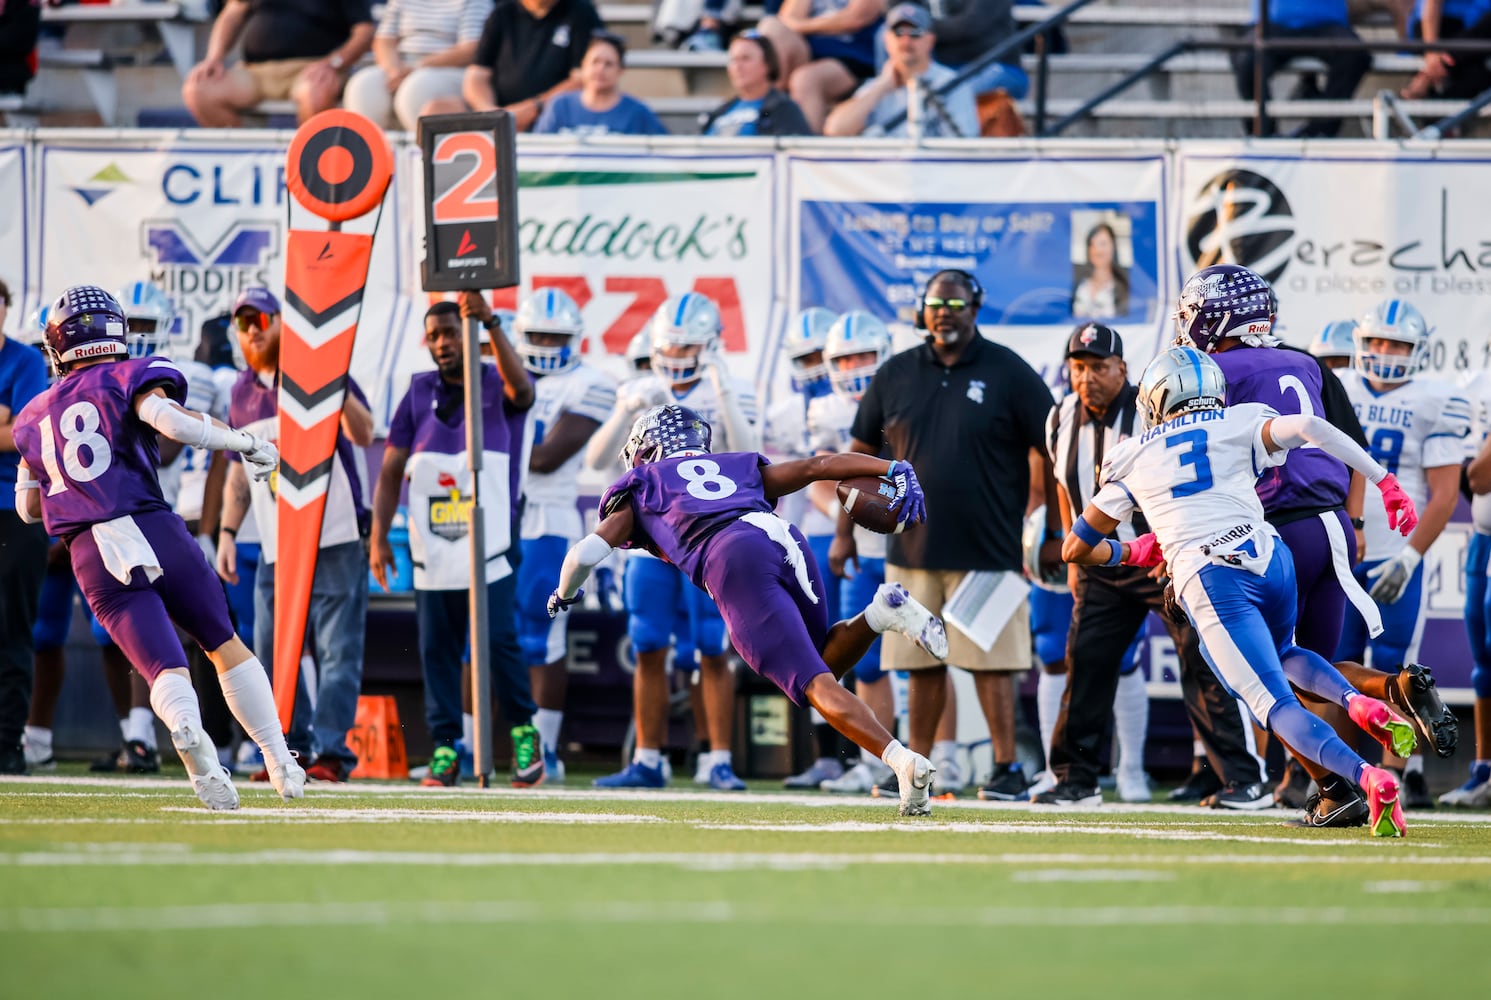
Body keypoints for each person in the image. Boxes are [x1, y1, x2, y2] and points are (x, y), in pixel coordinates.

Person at [1065, 345, 1423, 838]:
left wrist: (1134, 553)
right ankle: (1357, 702)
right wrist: (1384, 482)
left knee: (1274, 705)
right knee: (1287, 652)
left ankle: (1367, 777)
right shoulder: (1239, 419)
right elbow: (1310, 428)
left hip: (1212, 576)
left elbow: (1076, 547)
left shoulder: (1134, 453)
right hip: (1271, 557)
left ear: (1156, 398)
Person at [549, 403, 951, 815]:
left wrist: (563, 594)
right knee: (822, 663)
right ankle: (883, 612)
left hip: (732, 558)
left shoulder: (642, 485)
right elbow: (819, 466)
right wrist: (891, 468)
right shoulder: (734, 464)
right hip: (785, 539)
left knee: (813, 683)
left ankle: (903, 763)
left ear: (646, 449)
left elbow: (583, 555)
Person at [11, 285, 304, 807]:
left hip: (89, 551)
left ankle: (193, 746)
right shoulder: (128, 375)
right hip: (151, 523)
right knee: (221, 640)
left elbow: (28, 509)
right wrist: (249, 443)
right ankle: (280, 760)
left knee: (163, 668)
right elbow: (171, 423)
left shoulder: (33, 414)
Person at [843, 269, 1055, 802]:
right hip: (911, 548)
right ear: (923, 310)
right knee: (919, 663)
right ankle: (914, 765)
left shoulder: (1008, 371)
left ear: (976, 308)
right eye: (936, 302)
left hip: (988, 547)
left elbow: (1053, 448)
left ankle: (1006, 767)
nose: (945, 311)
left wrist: (1046, 519)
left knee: (994, 663)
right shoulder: (895, 373)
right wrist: (846, 533)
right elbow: (859, 453)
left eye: (956, 302)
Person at [1037, 324, 1269, 808]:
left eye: (1099, 367)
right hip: (1104, 563)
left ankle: (1242, 779)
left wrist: (1173, 551)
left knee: (1206, 664)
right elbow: (1064, 484)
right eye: (1079, 368)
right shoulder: (1059, 417)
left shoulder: (1151, 411)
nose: (1088, 378)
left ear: (1123, 369)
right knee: (1088, 667)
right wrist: (1075, 551)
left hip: (1164, 559)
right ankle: (1075, 781)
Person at [584, 293, 759, 790]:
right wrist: (624, 412)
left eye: (689, 348)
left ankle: (717, 759)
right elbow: (598, 462)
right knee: (647, 644)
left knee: (713, 646)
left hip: (709, 536)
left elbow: (749, 454)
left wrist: (723, 396)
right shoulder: (643, 388)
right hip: (653, 537)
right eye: (671, 348)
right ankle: (648, 759)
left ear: (711, 348)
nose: (678, 358)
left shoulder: (732, 389)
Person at [371, 296, 544, 787]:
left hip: (490, 542)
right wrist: (379, 536)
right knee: (436, 648)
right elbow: (390, 469)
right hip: (433, 545)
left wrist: (489, 322)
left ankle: (524, 733)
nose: (444, 343)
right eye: (435, 335)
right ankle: (447, 747)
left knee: (497, 639)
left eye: (451, 332)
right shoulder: (417, 391)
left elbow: (525, 394)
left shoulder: (495, 381)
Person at [211, 287, 373, 784]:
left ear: (283, 322)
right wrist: (227, 531)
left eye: (260, 317)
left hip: (336, 535)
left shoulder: (317, 370)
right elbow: (240, 471)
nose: (252, 329)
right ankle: (290, 750)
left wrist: (333, 380)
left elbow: (365, 434)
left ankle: (331, 753)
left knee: (336, 650)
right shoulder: (240, 391)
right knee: (272, 647)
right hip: (278, 540)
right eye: (242, 322)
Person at [1336, 299, 1470, 808]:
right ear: (1359, 343)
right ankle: (1338, 772)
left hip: (1396, 550)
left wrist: (1410, 558)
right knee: (1334, 664)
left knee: (1395, 665)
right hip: (1343, 549)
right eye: (1375, 342)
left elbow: (1443, 494)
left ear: (1419, 350)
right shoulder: (1341, 388)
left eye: (1397, 344)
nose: (1384, 352)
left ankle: (1397, 770)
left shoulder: (1437, 399)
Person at [505, 289, 616, 782]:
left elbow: (547, 457)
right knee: (477, 638)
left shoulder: (589, 383)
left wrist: (486, 449)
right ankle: (467, 746)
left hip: (546, 520)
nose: (547, 344)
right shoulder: (498, 376)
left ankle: (543, 749)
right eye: (538, 335)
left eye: (557, 336)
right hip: (493, 514)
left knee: (539, 637)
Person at [809, 311, 903, 794]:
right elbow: (817, 482)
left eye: (864, 355)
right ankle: (878, 761)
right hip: (861, 550)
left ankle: (946, 755)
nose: (855, 367)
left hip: (908, 546)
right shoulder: (824, 411)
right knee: (865, 662)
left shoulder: (902, 395)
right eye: (845, 360)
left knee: (928, 660)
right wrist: (847, 518)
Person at [765, 307, 846, 789]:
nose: (814, 365)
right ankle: (830, 755)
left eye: (822, 355)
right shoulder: (783, 415)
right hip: (800, 540)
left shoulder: (850, 403)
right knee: (816, 651)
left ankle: (866, 754)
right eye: (806, 357)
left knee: (865, 647)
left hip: (844, 533)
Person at [182, 0, 375, 127]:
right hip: (256, 70)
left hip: (313, 68)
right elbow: (233, 11)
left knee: (315, 93)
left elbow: (364, 30)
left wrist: (334, 62)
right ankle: (250, 161)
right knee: (199, 90)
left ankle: (309, 165)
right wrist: (214, 57)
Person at [0, 276, 49, 774]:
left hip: (12, 510)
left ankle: (8, 743)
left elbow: (23, 433)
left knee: (12, 629)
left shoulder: (27, 361)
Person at [824, 4, 977, 137]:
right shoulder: (878, 85)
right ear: (886, 40)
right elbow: (835, 130)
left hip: (935, 169)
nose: (906, 40)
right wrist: (881, 88)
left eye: (915, 32)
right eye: (898, 32)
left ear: (930, 40)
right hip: (886, 169)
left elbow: (964, 144)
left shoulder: (951, 83)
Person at [342, 0, 492, 132]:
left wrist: (418, 67)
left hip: (450, 69)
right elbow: (384, 41)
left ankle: (422, 154)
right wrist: (394, 69)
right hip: (403, 66)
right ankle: (375, 153)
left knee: (415, 89)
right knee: (362, 86)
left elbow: (470, 49)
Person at [454, 0, 603, 131]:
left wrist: (534, 107)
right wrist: (491, 113)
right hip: (500, 113)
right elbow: (477, 75)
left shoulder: (581, 12)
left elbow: (581, 79)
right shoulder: (502, 13)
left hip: (554, 117)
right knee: (441, 107)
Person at [1232, 0, 1371, 138]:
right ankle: (1263, 134)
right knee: (1248, 59)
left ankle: (1319, 132)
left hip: (1326, 23)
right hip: (1273, 24)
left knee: (1355, 55)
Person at [757, 0, 887, 132]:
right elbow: (788, 17)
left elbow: (856, 17)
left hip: (855, 55)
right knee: (772, 27)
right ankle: (766, 115)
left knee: (805, 79)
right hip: (809, 51)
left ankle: (805, 148)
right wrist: (805, 25)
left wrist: (804, 26)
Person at [1455, 359, 1491, 807]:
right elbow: (1476, 476)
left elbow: (1478, 475)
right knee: (1484, 660)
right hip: (1483, 537)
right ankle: (1484, 767)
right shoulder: (1475, 386)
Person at [534, 33, 668, 136]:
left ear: (621, 70)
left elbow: (664, 152)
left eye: (608, 64)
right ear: (583, 65)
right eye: (595, 62)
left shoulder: (638, 112)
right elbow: (537, 152)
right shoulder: (560, 106)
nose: (600, 69)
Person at [701, 30, 815, 136]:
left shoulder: (783, 109)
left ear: (767, 64)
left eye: (745, 59)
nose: (737, 67)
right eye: (733, 60)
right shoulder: (720, 112)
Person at [1402, 0, 1491, 100]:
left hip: (1464, 36)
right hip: (1436, 30)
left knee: (1478, 77)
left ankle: (1424, 87)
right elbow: (1432, 4)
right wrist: (1432, 53)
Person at [1070, 222, 1130, 321]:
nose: (1097, 250)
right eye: (1092, 244)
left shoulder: (1123, 287)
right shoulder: (1079, 284)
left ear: (1113, 247)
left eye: (1103, 244)